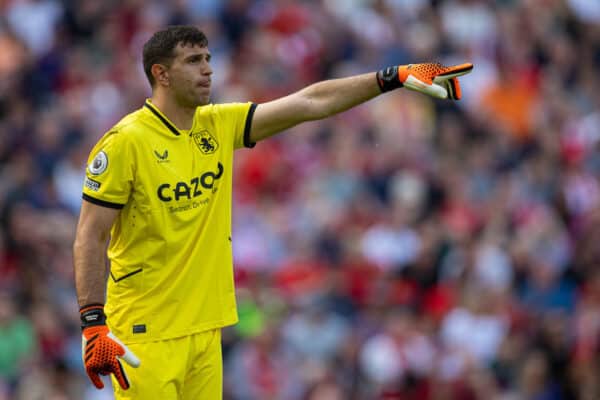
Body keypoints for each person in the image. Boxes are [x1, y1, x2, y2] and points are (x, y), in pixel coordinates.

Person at [72, 25, 472, 400]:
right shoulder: (125, 143)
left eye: (208, 59)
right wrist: (93, 326)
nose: (208, 70)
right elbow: (90, 235)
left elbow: (310, 102)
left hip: (206, 329)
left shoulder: (215, 125)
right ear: (160, 73)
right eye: (193, 61)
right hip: (147, 333)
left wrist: (393, 77)